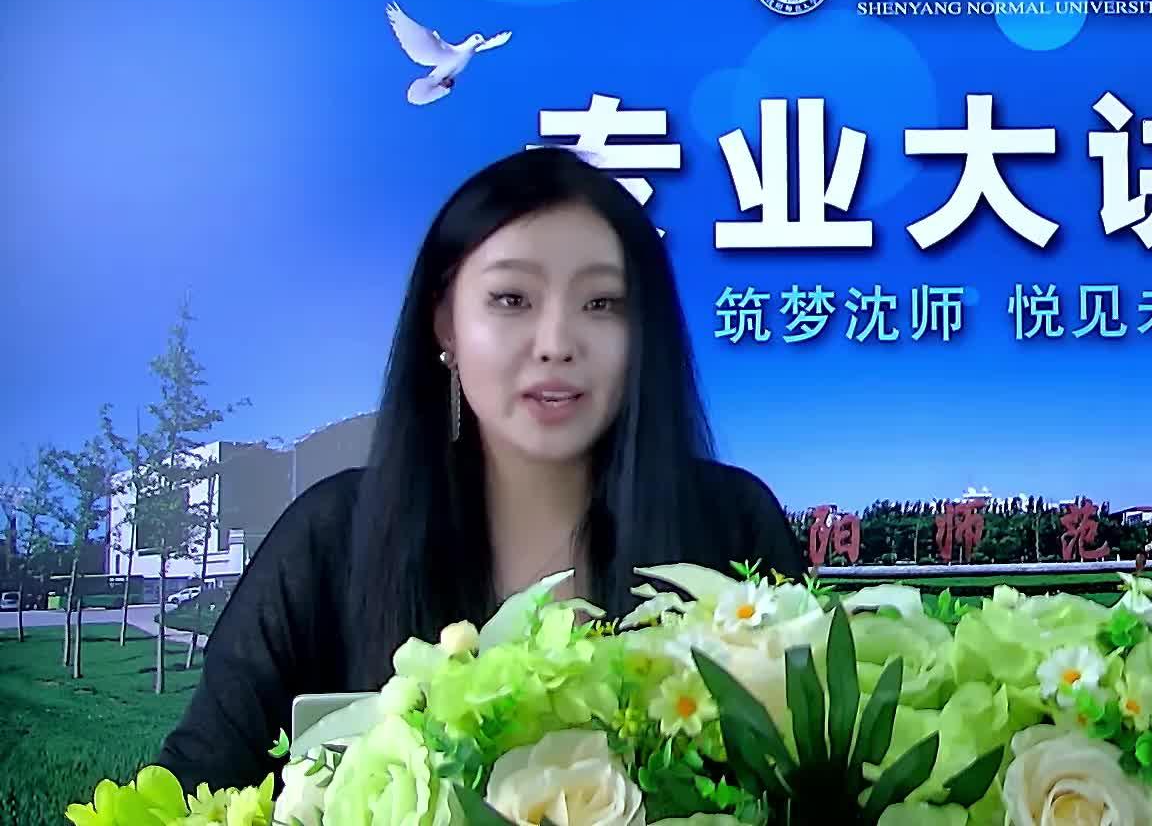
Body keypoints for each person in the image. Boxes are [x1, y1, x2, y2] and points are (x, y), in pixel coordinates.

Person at [155, 147, 806, 793]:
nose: (556, 344)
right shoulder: (329, 542)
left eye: (602, 303)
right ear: (446, 323)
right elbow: (194, 791)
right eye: (512, 299)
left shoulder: (732, 526)